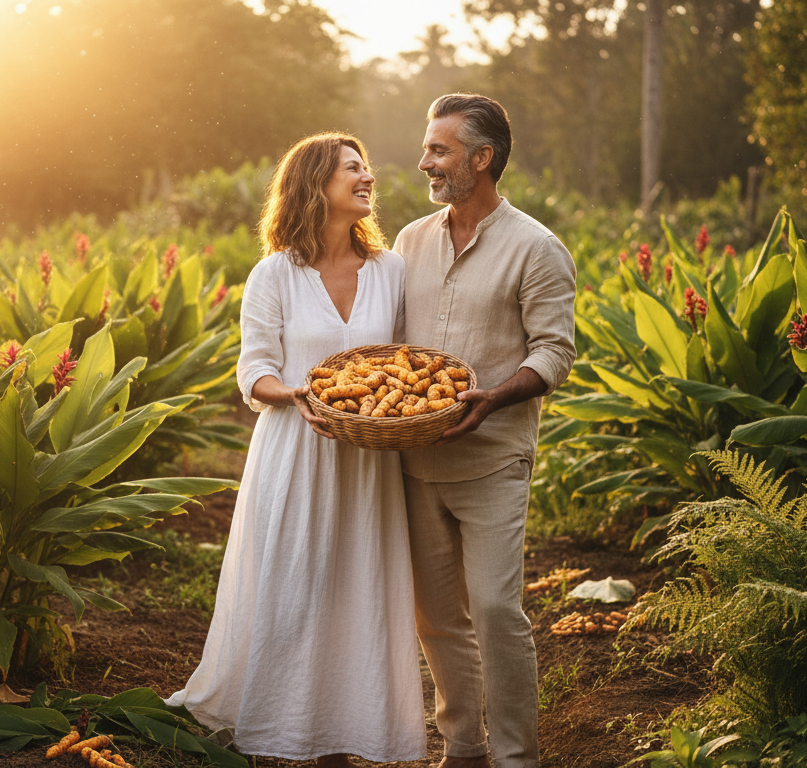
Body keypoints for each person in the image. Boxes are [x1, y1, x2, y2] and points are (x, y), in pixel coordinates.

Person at [165, 132, 426, 765]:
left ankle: (349, 728)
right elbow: (253, 369)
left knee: (358, 585)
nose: (368, 177)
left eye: (367, 168)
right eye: (351, 169)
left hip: (367, 458)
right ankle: (280, 726)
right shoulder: (274, 273)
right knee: (293, 587)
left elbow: (403, 361)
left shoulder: (392, 271)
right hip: (294, 449)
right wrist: (296, 394)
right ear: (314, 186)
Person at [393, 94, 577, 768]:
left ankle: (516, 759)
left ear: (482, 158)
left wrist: (494, 397)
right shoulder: (410, 240)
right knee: (436, 619)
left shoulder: (536, 248)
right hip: (415, 462)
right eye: (427, 148)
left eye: (438, 150)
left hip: (494, 459)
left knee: (497, 611)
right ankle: (464, 749)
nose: (425, 162)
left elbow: (555, 351)